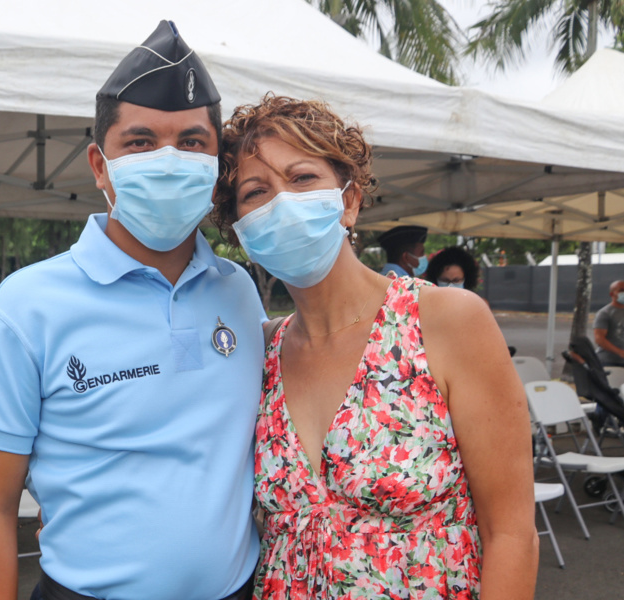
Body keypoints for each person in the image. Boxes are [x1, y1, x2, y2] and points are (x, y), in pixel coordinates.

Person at [0, 21, 265, 600]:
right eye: (141, 142)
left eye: (193, 142)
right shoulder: (25, 308)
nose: (169, 159)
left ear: (217, 164)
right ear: (100, 166)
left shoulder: (239, 292)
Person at [212, 94, 538, 599]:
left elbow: (512, 534)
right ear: (240, 230)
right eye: (256, 191)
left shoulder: (445, 320)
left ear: (349, 201)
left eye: (301, 178)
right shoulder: (262, 351)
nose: (281, 202)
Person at [593, 279, 624, 367]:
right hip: (609, 363)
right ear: (612, 294)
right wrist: (620, 352)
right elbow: (599, 339)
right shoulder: (604, 313)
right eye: (621, 290)